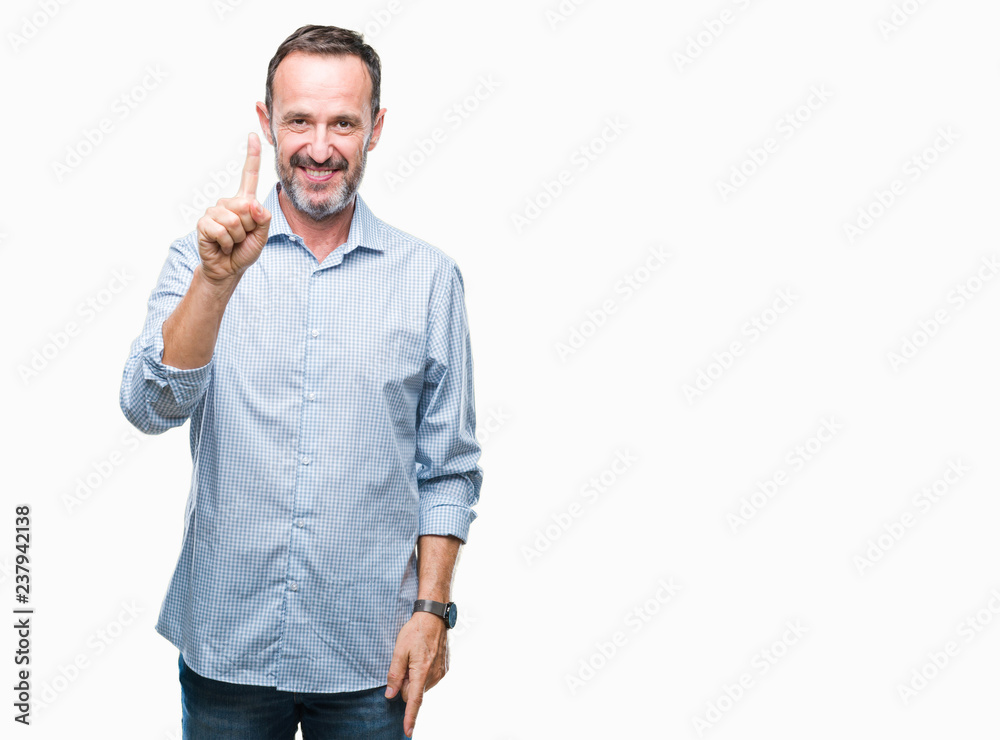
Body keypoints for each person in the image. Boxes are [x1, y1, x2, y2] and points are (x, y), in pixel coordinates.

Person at [119, 24, 483, 739]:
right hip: (227, 643)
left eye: (343, 122)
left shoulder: (429, 280)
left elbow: (448, 468)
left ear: (376, 128)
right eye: (299, 121)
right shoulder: (201, 259)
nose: (319, 148)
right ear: (267, 122)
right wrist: (215, 285)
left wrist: (432, 611)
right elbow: (148, 407)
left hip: (370, 654)